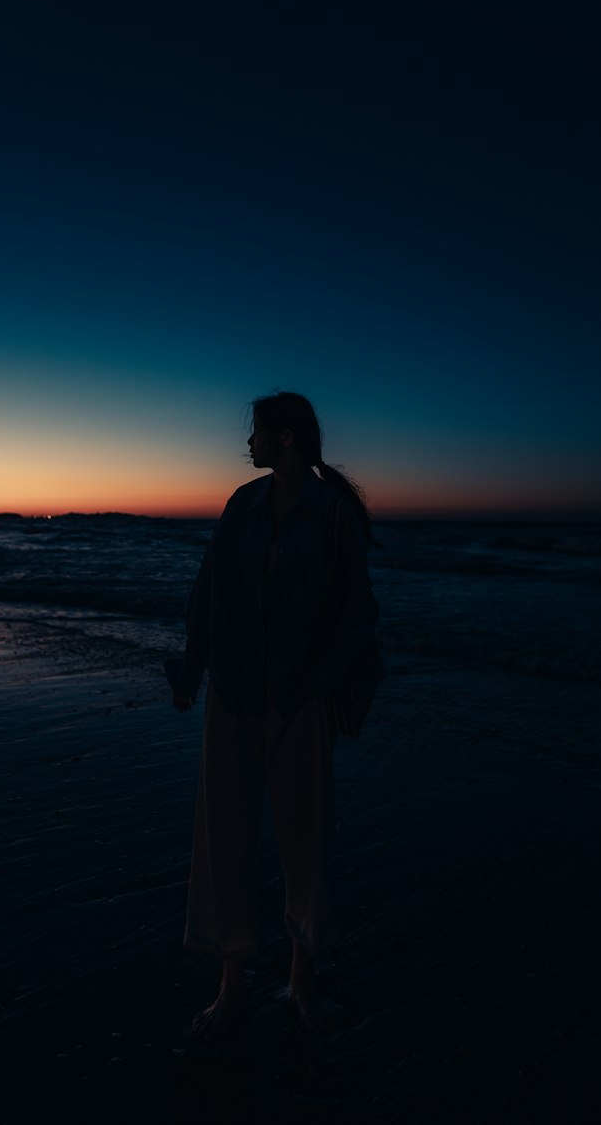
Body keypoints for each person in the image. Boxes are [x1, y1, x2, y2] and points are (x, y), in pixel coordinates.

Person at [171, 391, 380, 1042]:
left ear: (285, 437)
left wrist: (317, 686)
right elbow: (208, 590)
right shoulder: (242, 505)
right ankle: (231, 985)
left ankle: (301, 983)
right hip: (232, 697)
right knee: (224, 842)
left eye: (256, 432)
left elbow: (358, 614)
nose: (248, 443)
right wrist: (192, 662)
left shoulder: (332, 513)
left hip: (297, 705)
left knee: (304, 845)